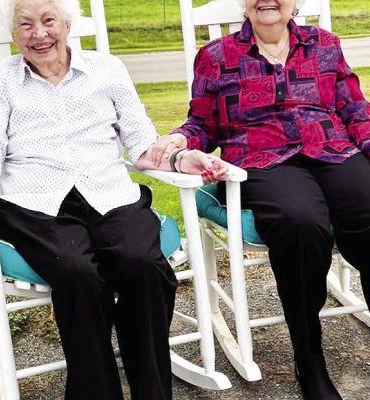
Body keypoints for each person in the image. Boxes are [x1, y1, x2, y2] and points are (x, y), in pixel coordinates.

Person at [0, 0, 228, 399]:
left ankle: (152, 390)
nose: (39, 34)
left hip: (109, 192)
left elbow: (142, 142)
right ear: (14, 32)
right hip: (36, 200)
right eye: (25, 25)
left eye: (48, 20)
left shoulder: (107, 69)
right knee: (76, 273)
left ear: (67, 24)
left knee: (143, 265)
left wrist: (179, 157)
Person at [152, 0, 370, 399]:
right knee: (301, 223)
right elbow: (203, 123)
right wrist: (181, 142)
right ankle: (310, 361)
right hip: (262, 159)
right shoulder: (217, 56)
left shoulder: (325, 44)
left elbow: (355, 108)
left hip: (332, 148)